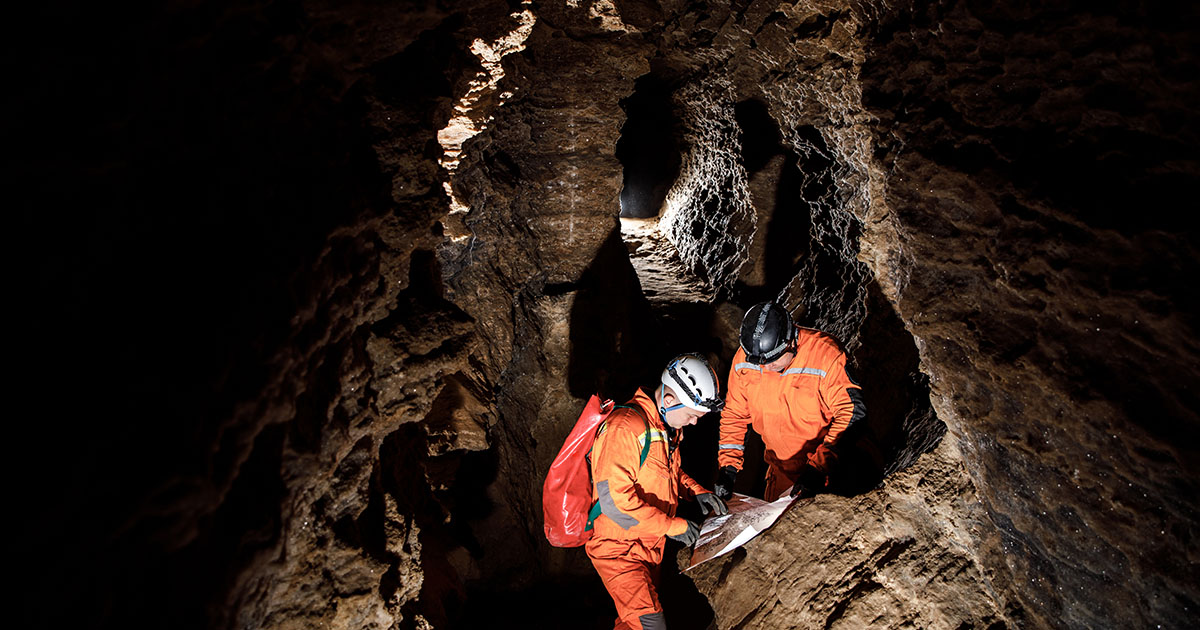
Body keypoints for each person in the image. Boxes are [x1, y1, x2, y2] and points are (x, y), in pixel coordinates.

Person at [587, 354, 728, 630]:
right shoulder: (625, 428)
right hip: (618, 549)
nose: (694, 423)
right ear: (669, 400)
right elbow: (612, 501)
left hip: (648, 547)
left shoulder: (664, 429)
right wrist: (671, 526)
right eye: (691, 415)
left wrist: (696, 492)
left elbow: (667, 473)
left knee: (633, 622)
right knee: (650, 623)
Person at [714, 302, 866, 502]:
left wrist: (819, 468)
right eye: (761, 363)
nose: (766, 368)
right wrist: (728, 467)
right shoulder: (747, 359)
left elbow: (851, 413)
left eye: (774, 361)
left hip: (827, 471)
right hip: (781, 472)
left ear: (790, 341)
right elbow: (735, 415)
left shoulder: (825, 355)